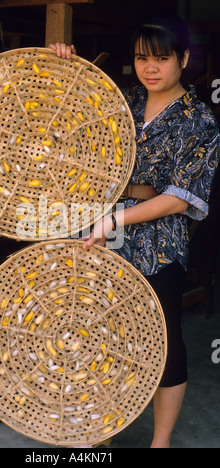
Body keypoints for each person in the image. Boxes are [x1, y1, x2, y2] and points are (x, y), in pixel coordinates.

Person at [49, 12, 220, 448]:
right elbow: (64, 123)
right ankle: (98, 432)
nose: (151, 68)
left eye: (161, 58)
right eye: (143, 58)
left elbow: (180, 197)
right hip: (102, 233)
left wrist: (116, 216)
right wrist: (63, 67)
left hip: (158, 242)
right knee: (97, 333)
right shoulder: (121, 101)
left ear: (183, 58)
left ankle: (159, 442)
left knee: (163, 343)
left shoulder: (200, 121)